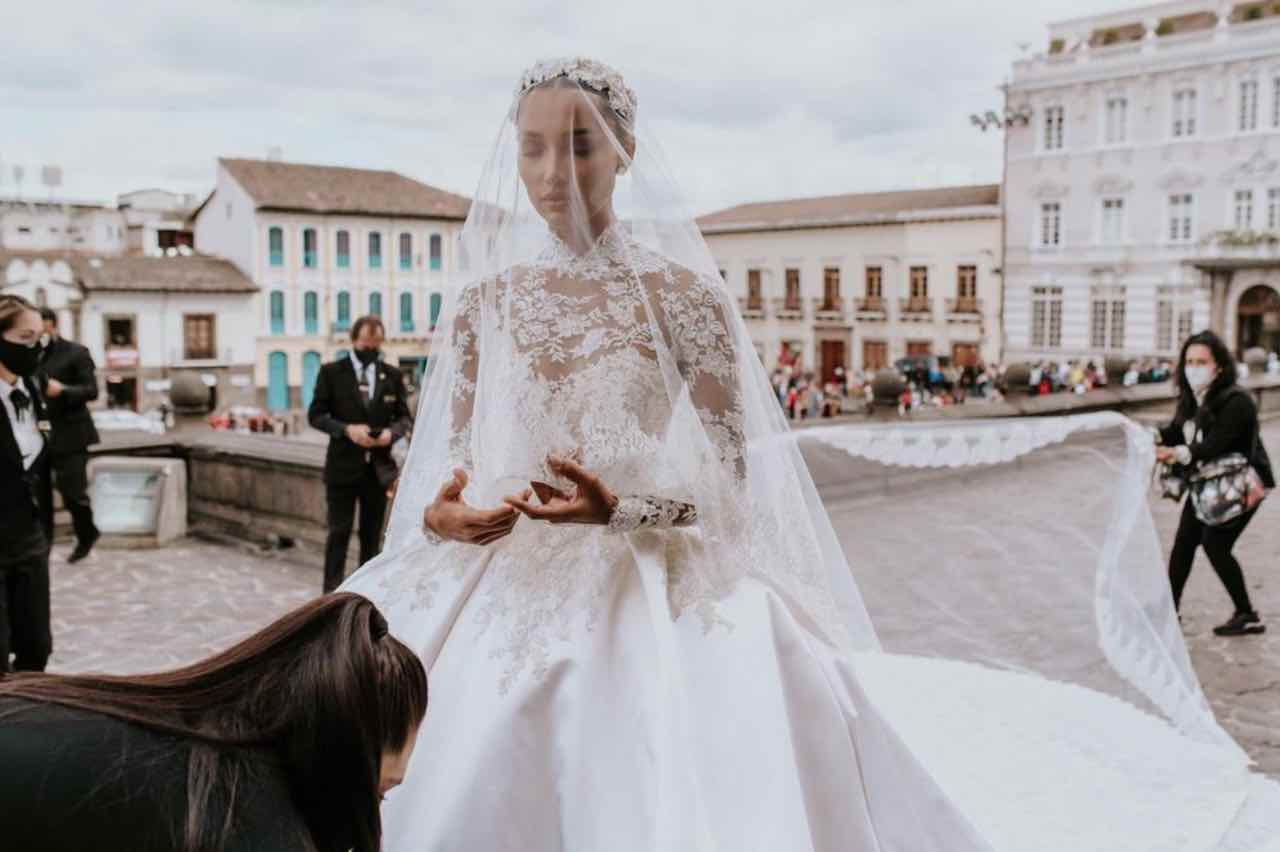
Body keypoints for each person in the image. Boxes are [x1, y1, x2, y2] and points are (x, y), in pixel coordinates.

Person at [0, 592, 427, 852]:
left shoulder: (209, 724)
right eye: (381, 793)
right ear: (340, 757)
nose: (374, 811)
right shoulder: (254, 828)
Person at [1156, 330, 1274, 636]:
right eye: (1189, 361)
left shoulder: (1238, 401)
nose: (1193, 367)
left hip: (1242, 484)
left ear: (1219, 366)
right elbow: (1177, 432)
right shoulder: (1192, 399)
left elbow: (1216, 445)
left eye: (1201, 361)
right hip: (1207, 482)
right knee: (1184, 543)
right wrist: (1154, 437)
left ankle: (1246, 613)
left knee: (1215, 544)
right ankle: (1169, 611)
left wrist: (1177, 453)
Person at [308, 316, 413, 592]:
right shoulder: (331, 372)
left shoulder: (392, 375)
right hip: (342, 468)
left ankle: (368, 595)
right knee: (338, 534)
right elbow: (316, 415)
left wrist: (392, 433)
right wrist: (346, 430)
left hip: (378, 471)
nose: (371, 349)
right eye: (366, 343)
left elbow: (405, 418)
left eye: (376, 345)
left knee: (372, 539)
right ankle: (330, 596)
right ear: (354, 340)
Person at [0, 295, 53, 674]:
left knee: (37, 647)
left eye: (40, 338)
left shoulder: (32, 388)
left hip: (29, 539)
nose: (35, 347)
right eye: (25, 338)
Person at [36, 306, 101, 563]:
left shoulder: (76, 352)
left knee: (73, 494)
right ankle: (43, 548)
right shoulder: (31, 357)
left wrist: (62, 390)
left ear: (51, 325)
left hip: (73, 434)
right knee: (41, 498)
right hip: (40, 436)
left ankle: (87, 533)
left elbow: (92, 390)